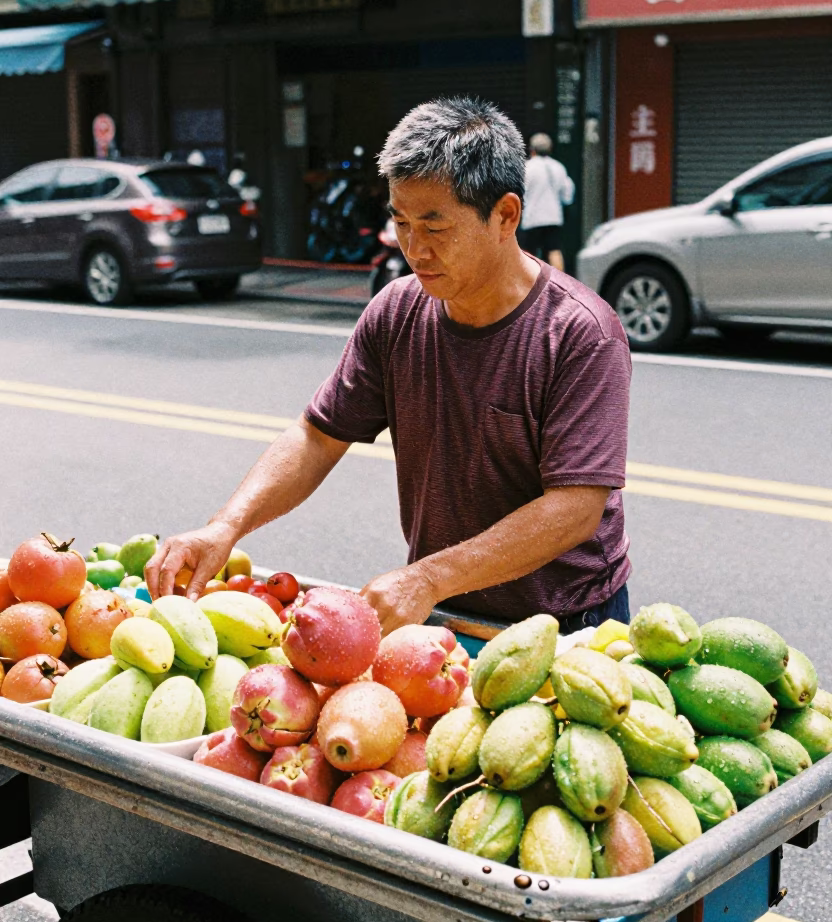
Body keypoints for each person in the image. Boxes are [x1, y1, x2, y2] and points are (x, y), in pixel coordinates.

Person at [146, 98, 631, 637]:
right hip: (445, 612)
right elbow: (317, 437)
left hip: (566, 622)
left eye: (435, 226)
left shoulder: (579, 332)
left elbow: (575, 507)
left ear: (506, 215)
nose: (414, 249)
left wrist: (426, 578)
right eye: (400, 221)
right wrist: (225, 528)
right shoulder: (397, 310)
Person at [520, 132, 574, 271]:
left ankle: (529, 285)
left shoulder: (527, 168)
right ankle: (561, 284)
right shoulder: (559, 167)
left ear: (532, 150)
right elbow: (567, 194)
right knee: (554, 250)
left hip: (532, 217)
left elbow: (520, 192)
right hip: (553, 217)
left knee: (529, 253)